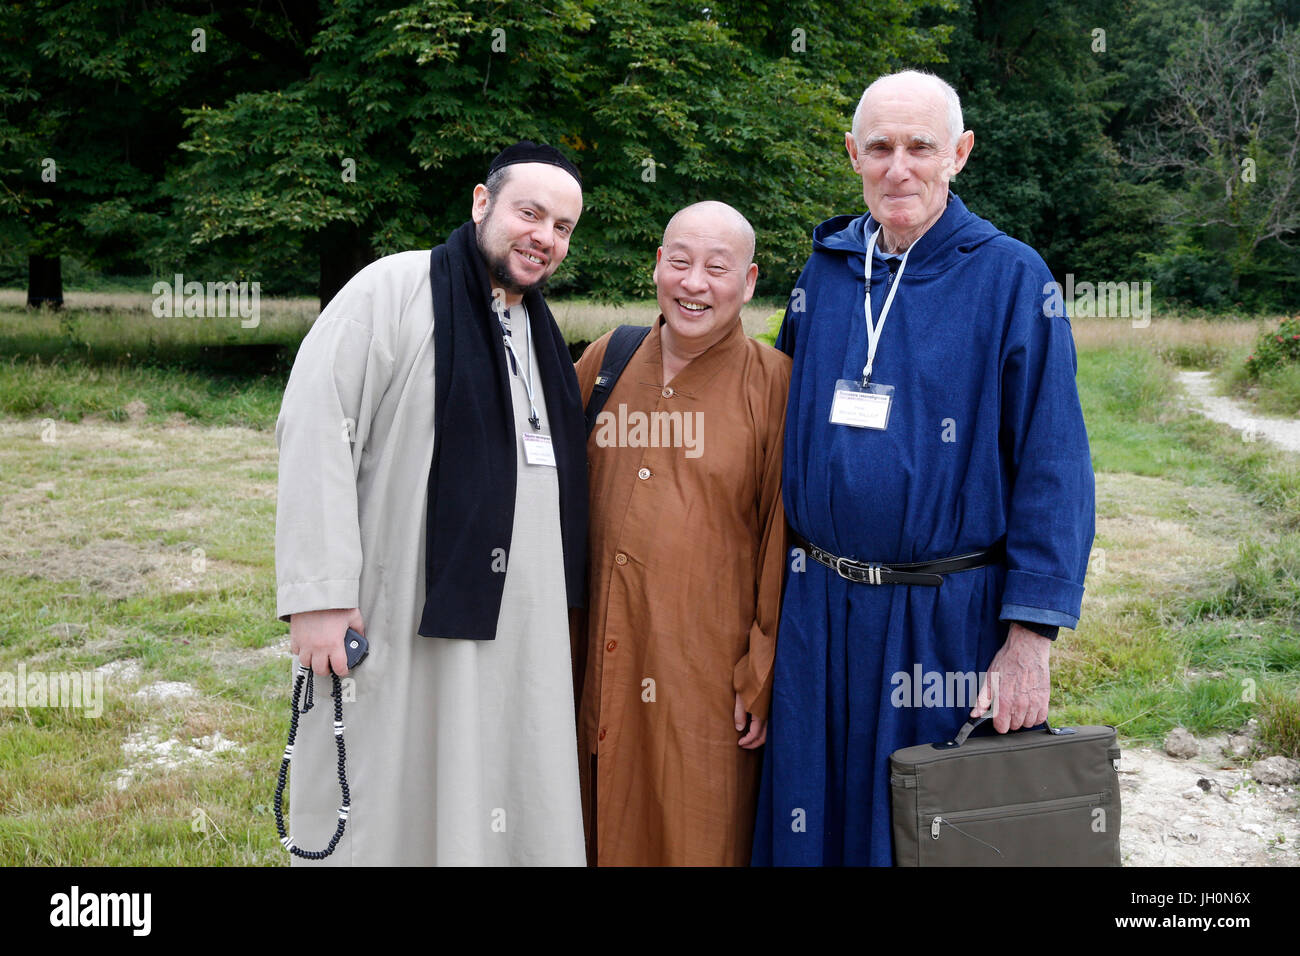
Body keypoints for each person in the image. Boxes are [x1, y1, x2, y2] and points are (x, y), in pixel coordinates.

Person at [751, 71, 1096, 866]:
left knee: (925, 832)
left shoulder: (1011, 278)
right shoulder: (825, 274)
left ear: (961, 154)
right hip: (818, 612)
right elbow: (772, 425)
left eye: (920, 147)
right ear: (852, 155)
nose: (898, 168)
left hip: (942, 622)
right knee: (814, 821)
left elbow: (1054, 465)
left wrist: (1029, 639)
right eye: (879, 148)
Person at [275, 141, 589, 866]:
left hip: (520, 631)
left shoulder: (536, 329)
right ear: (482, 204)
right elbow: (317, 427)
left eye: (563, 226)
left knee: (504, 776)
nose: (544, 236)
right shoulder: (393, 289)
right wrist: (319, 596)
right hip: (400, 614)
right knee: (396, 788)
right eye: (529, 213)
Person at [573, 201, 790, 865]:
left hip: (703, 676)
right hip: (593, 661)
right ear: (657, 267)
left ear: (748, 282)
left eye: (717, 268)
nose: (695, 283)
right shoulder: (607, 360)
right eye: (681, 261)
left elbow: (782, 537)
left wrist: (761, 670)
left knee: (696, 831)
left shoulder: (773, 383)